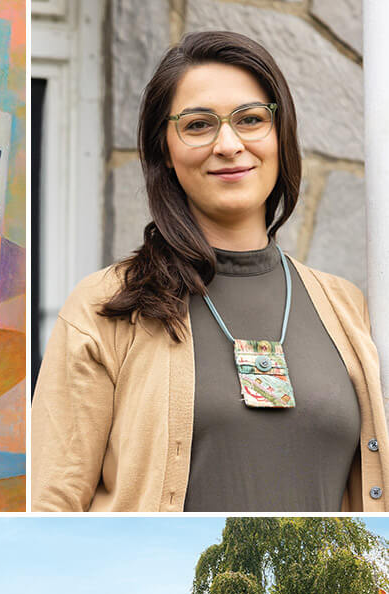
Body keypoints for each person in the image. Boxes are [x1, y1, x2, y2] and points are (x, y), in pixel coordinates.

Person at [31, 30, 389, 512]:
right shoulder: (104, 307)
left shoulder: (348, 306)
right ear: (165, 149)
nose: (228, 144)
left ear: (280, 134)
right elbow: (49, 506)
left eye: (250, 119)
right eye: (198, 125)